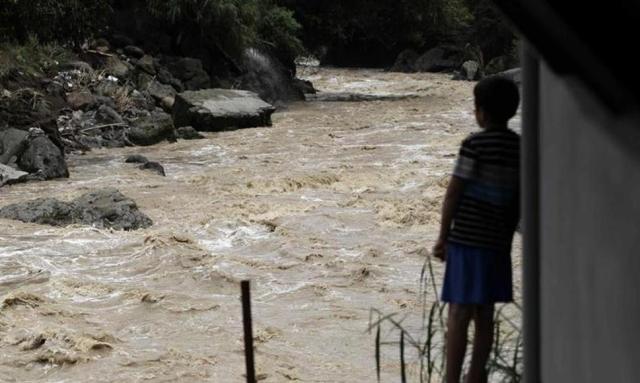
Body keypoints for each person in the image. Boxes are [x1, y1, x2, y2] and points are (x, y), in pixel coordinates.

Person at [432, 76, 520, 383]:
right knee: (484, 314)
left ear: (480, 111)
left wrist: (443, 236)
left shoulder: (474, 145)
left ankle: (451, 378)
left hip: (467, 242)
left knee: (458, 313)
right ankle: (476, 376)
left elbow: (454, 191)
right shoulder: (518, 147)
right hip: (498, 244)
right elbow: (518, 200)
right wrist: (507, 237)